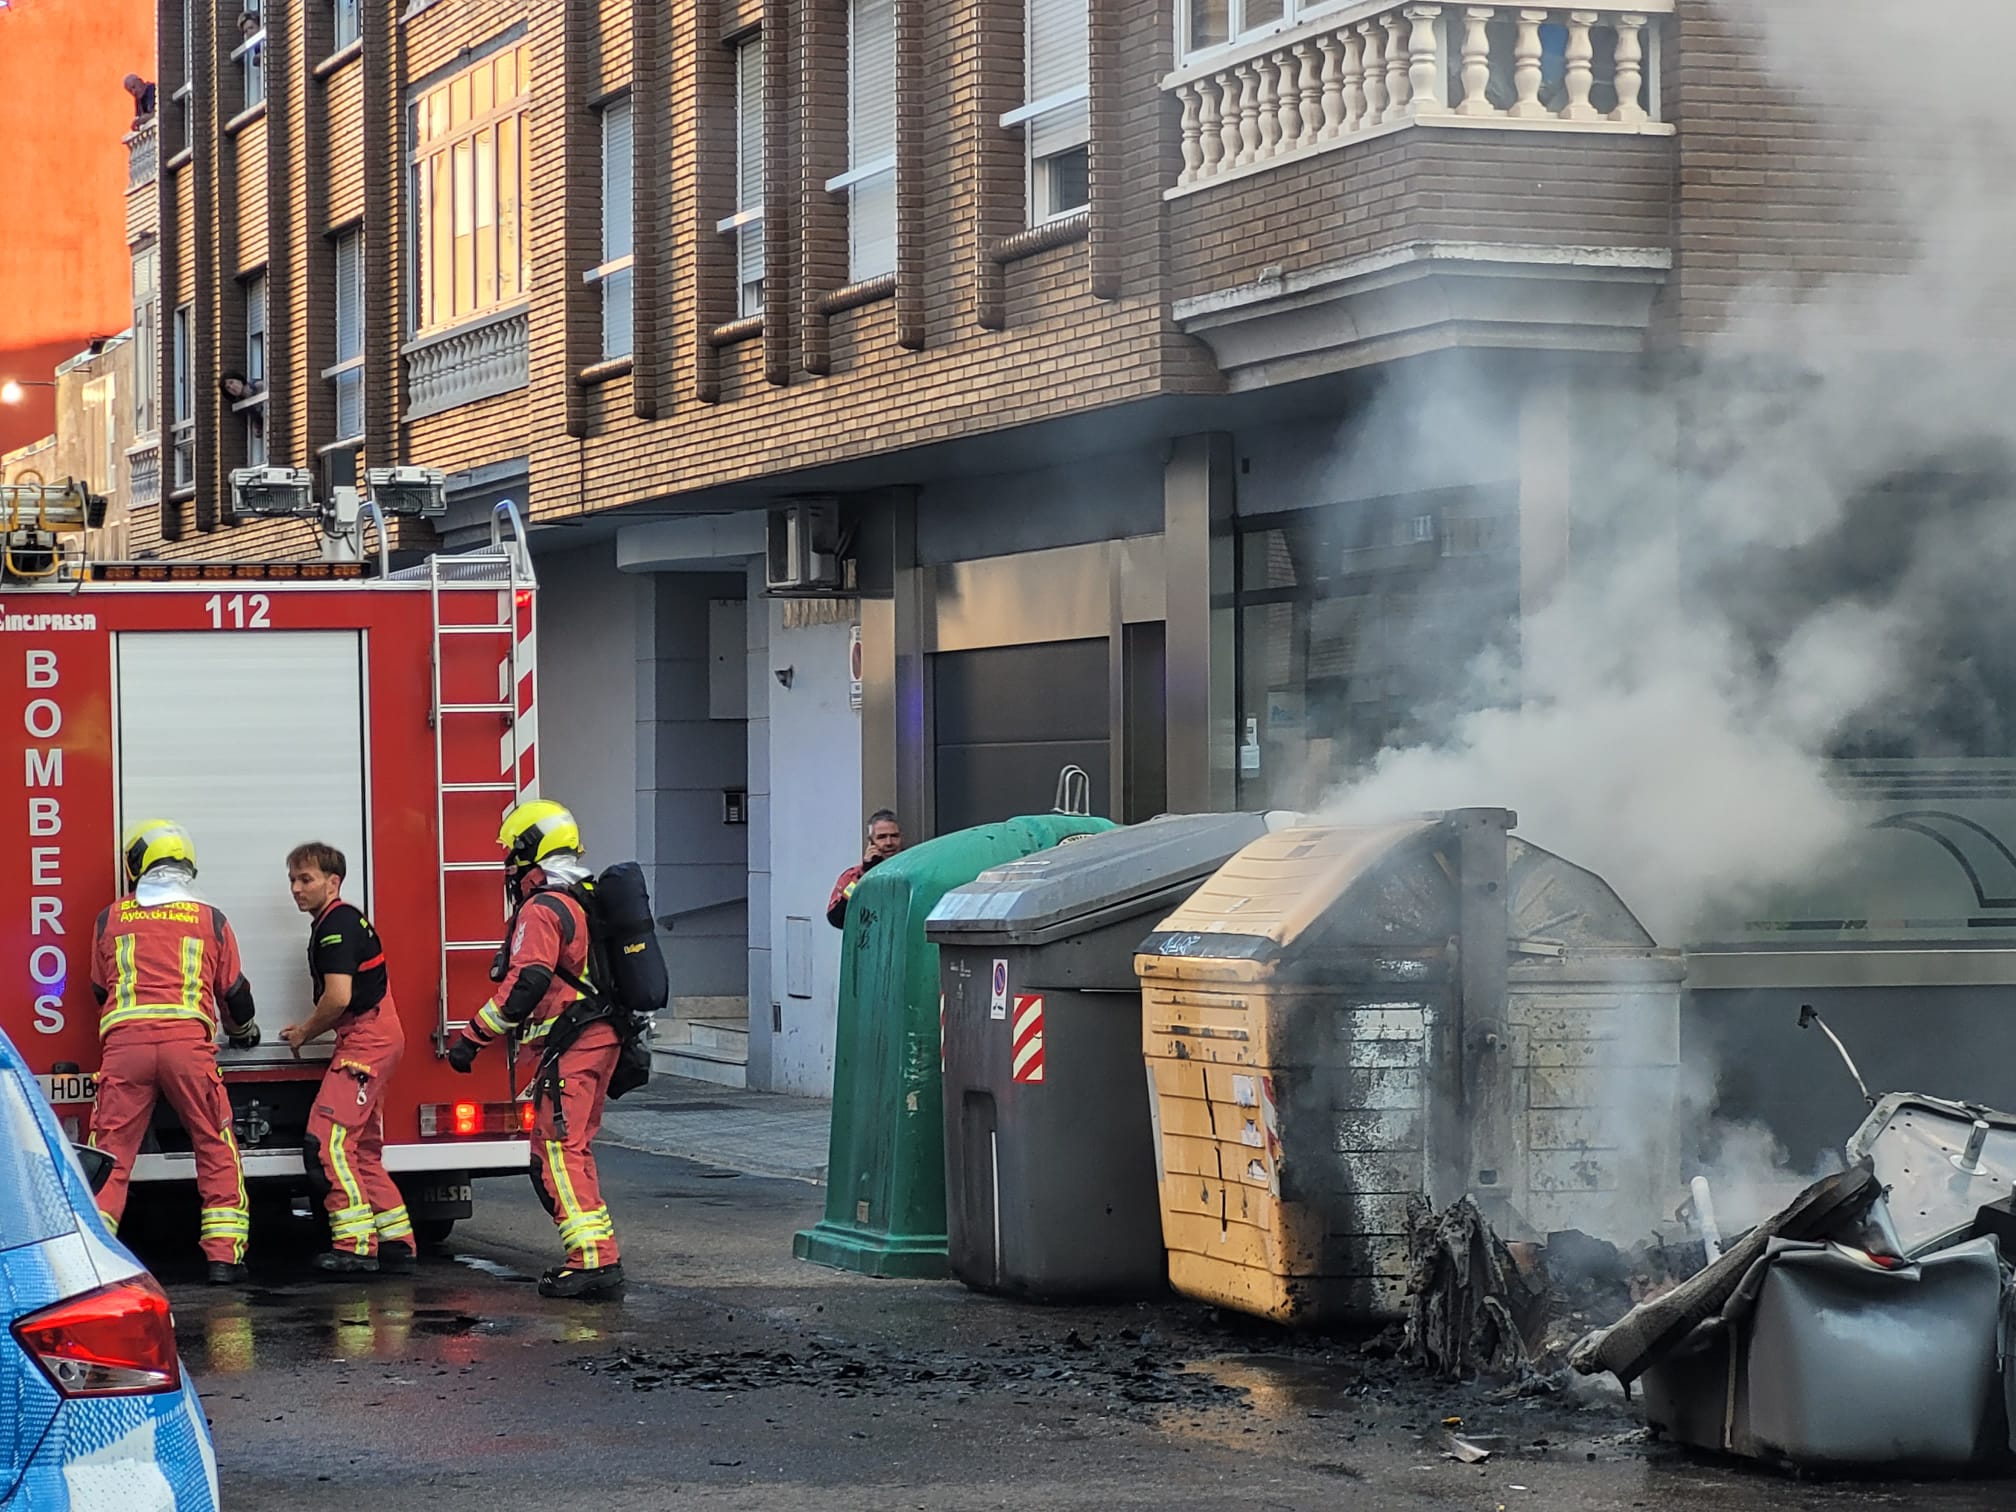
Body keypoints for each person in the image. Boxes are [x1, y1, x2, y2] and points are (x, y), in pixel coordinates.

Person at [446, 799, 624, 1298]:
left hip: (572, 1043)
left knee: (558, 1150)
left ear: (530, 854)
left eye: (512, 855)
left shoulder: (544, 908)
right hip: (598, 1038)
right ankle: (598, 1255)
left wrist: (471, 1038)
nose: (508, 866)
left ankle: (591, 1262)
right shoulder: (582, 898)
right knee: (574, 1150)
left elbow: (527, 982)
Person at [88, 820, 258, 1284]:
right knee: (214, 1143)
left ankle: (92, 1262)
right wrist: (244, 1031)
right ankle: (224, 1257)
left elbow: (98, 990)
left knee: (111, 1155)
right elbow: (236, 995)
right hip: (189, 1048)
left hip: (125, 1048)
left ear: (137, 864)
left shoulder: (110, 918)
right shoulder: (211, 919)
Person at [281, 842, 416, 1275]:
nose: (296, 889)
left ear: (332, 882)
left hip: (366, 1041)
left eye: (306, 879)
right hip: (376, 1035)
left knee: (327, 1140)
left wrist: (304, 1030)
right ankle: (397, 1242)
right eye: (293, 880)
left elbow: (338, 997)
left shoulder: (336, 925)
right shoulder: (339, 920)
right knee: (363, 1149)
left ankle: (355, 1244)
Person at [827, 810, 903, 929]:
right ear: (871, 842)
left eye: (894, 836)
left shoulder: (913, 871)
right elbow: (837, 918)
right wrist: (865, 874)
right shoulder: (853, 876)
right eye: (881, 837)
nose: (889, 842)